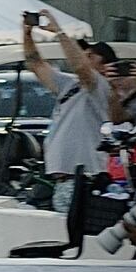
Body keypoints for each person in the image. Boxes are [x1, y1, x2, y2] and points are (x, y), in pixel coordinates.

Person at [23, 11, 114, 212]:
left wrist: (59, 33)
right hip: (62, 179)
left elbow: (81, 67)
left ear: (105, 66)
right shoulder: (71, 85)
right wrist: (27, 35)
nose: (84, 57)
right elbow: (35, 64)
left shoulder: (101, 87)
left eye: (91, 55)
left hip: (83, 179)